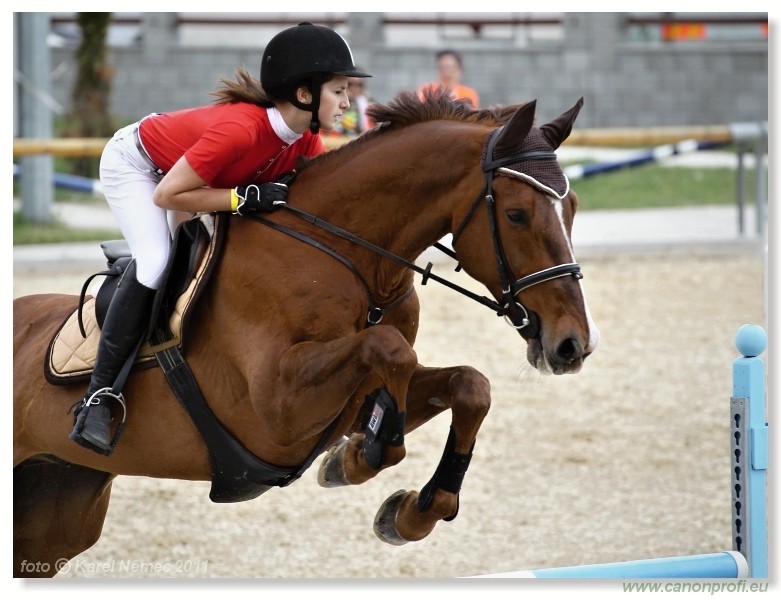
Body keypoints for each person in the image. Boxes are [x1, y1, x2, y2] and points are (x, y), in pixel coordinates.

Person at [69, 22, 371, 456]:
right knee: (156, 259)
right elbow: (167, 194)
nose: (348, 100)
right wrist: (242, 196)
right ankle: (98, 398)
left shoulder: (306, 140)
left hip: (191, 176)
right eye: (340, 90)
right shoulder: (242, 131)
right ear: (305, 94)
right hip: (140, 167)